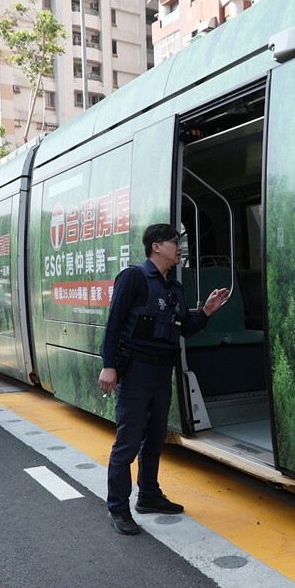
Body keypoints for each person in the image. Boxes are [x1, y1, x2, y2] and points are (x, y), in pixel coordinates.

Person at [99, 223, 230, 535]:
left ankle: (148, 495)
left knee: (155, 439)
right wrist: (108, 366)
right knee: (127, 444)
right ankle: (118, 508)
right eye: (174, 242)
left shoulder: (174, 287)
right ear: (156, 246)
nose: (179, 246)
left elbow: (184, 327)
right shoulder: (134, 277)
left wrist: (207, 312)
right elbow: (114, 323)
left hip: (161, 371)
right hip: (136, 372)